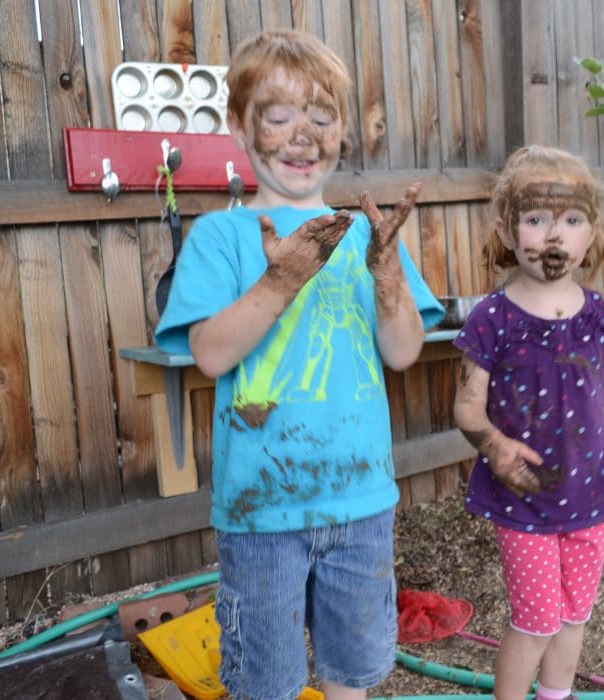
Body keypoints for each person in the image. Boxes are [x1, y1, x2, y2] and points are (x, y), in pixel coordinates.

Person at [154, 29, 444, 700]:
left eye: (320, 115)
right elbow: (208, 354)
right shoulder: (221, 238)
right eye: (279, 116)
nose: (301, 135)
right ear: (238, 126)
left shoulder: (367, 238)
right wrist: (278, 283)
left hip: (361, 504)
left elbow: (402, 353)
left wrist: (387, 276)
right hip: (261, 515)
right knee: (267, 683)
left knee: (352, 675)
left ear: (342, 129)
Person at [452, 145, 604, 700]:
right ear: (506, 230)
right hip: (523, 497)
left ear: (591, 232)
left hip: (590, 493)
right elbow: (467, 407)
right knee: (537, 620)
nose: (554, 237)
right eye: (536, 220)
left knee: (574, 615)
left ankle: (556, 695)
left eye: (571, 221)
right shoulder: (491, 320)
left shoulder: (602, 317)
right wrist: (495, 447)